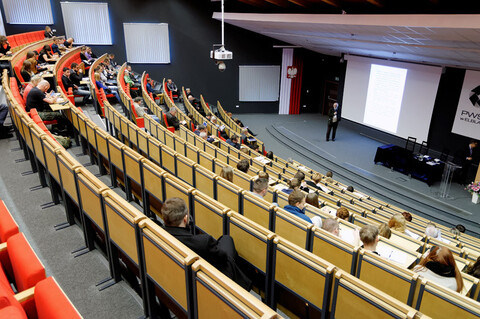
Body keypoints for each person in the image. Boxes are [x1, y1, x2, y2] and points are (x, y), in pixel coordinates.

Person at [161, 198, 252, 291]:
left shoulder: (160, 233)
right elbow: (223, 258)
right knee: (227, 240)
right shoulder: (203, 242)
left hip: (182, 275)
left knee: (225, 240)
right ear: (185, 219)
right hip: (210, 281)